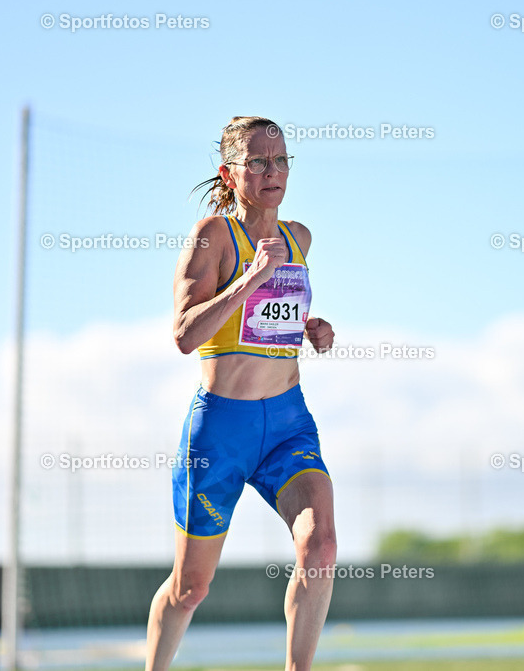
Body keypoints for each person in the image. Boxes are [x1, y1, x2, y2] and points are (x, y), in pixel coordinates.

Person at [145, 116, 337, 671]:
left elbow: (274, 316)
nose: (272, 172)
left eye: (280, 161)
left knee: (319, 547)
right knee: (190, 588)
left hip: (287, 424)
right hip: (221, 430)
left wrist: (310, 327)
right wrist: (246, 279)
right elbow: (185, 335)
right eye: (257, 162)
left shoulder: (299, 238)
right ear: (230, 175)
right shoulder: (213, 236)